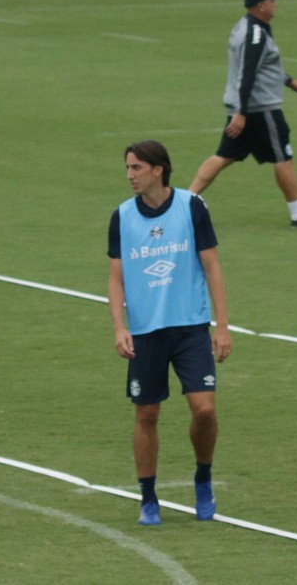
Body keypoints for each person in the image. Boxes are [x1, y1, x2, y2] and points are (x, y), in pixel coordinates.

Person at [108, 140, 232, 526]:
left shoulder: (191, 207)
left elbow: (211, 267)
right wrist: (119, 327)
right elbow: (116, 278)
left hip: (191, 327)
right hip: (146, 333)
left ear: (158, 169)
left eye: (136, 168)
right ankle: (148, 497)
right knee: (147, 413)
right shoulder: (122, 216)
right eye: (128, 168)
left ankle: (203, 477)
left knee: (206, 410)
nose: (129, 175)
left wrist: (222, 326)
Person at [189, 0, 297, 228]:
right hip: (260, 108)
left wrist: (290, 82)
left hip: (246, 106)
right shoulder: (255, 34)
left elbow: (265, 67)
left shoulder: (246, 26)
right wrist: (241, 113)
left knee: (224, 155)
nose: (276, 4)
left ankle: (184, 202)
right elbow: (247, 73)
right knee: (283, 156)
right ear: (261, 6)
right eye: (272, 0)